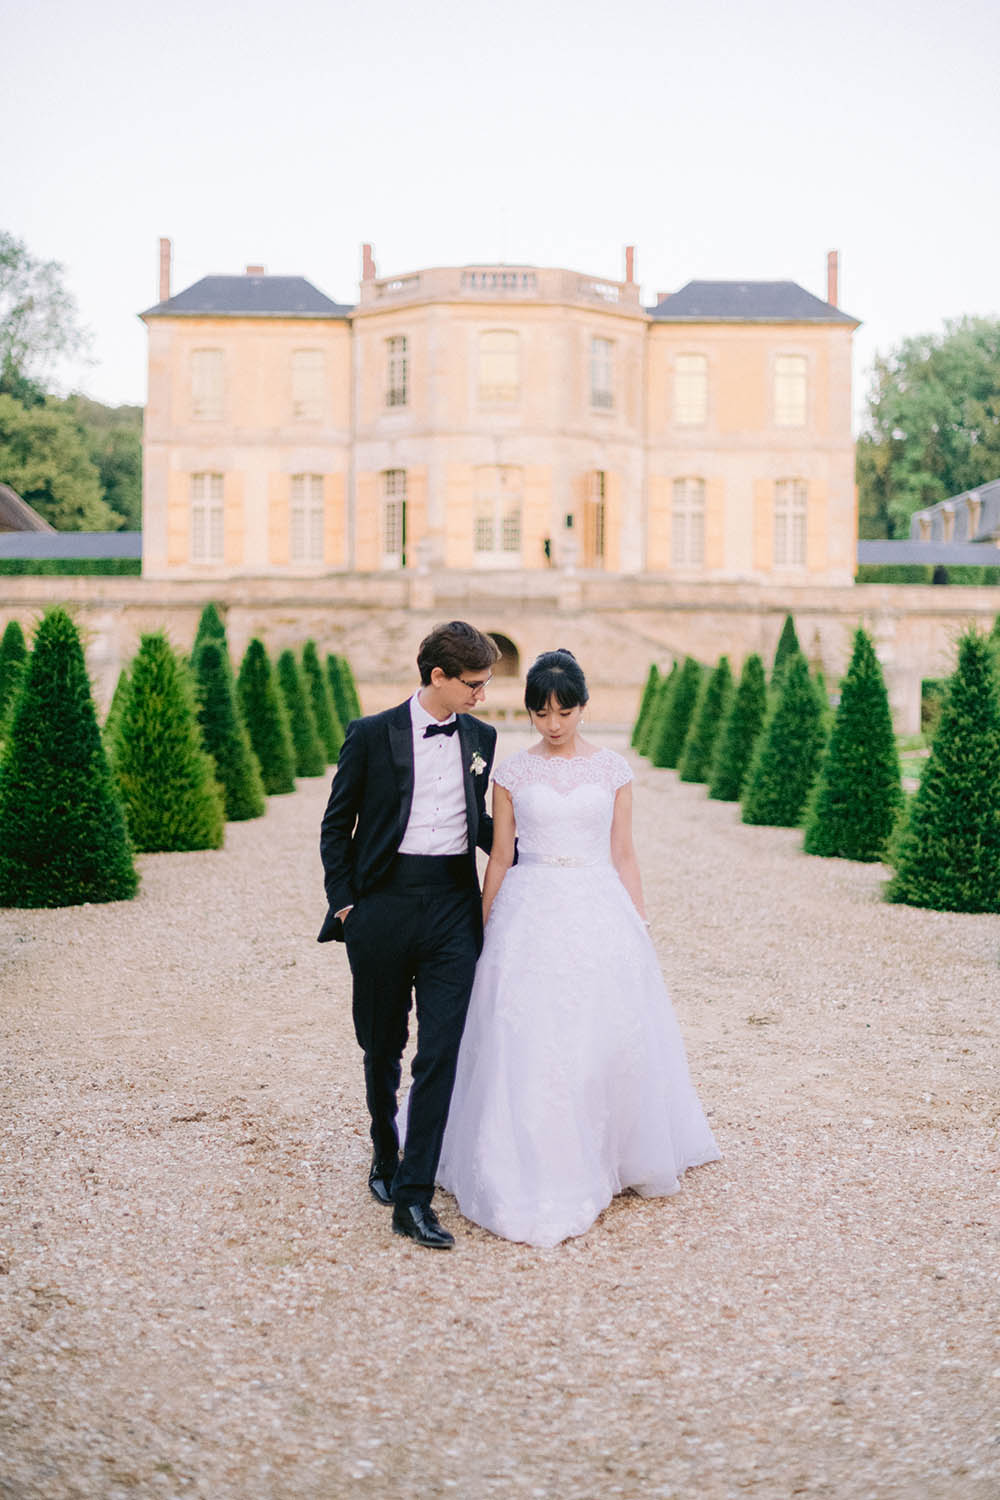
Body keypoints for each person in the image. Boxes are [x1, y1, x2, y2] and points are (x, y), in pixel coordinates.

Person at [436, 649, 720, 1247]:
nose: (554, 723)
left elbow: (623, 852)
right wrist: (485, 921)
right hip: (529, 904)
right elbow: (502, 854)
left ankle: (614, 1147)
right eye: (542, 712)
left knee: (603, 1024)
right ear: (530, 713)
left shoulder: (613, 770)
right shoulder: (512, 773)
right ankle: (527, 1147)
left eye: (564, 711)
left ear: (583, 708)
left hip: (596, 903)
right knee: (526, 1030)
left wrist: (637, 916)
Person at [318, 621, 500, 1250]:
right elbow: (336, 825)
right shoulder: (371, 734)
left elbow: (481, 824)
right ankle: (384, 1152)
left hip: (454, 906)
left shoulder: (483, 737)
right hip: (384, 906)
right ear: (438, 677)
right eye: (473, 684)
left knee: (440, 1053)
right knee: (382, 1045)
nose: (482, 695)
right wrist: (346, 906)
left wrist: (542, 853)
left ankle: (414, 1197)